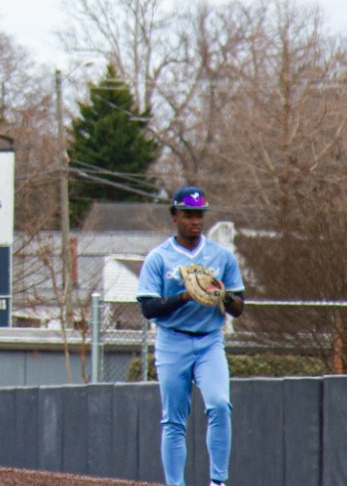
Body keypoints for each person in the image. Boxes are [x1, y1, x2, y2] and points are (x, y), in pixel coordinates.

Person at [137, 186, 246, 486]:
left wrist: (222, 294)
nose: (195, 221)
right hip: (172, 340)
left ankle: (218, 482)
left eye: (199, 215)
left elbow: (238, 307)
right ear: (175, 216)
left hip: (209, 340)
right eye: (187, 215)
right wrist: (185, 295)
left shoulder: (221, 256)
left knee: (220, 405)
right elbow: (148, 308)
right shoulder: (159, 258)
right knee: (174, 419)